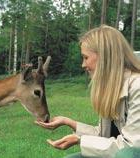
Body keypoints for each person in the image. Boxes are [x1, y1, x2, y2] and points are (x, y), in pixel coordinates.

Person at [36, 25, 140, 158]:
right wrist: (68, 122)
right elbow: (104, 135)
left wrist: (80, 140)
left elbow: (132, 146)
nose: (83, 65)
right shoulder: (111, 87)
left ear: (105, 57)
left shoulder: (137, 87)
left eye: (86, 58)